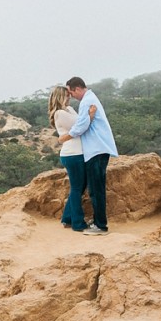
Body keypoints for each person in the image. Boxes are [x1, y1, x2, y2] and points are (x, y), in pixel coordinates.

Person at [58, 77, 118, 235]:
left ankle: (101, 226)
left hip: (96, 150)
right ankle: (98, 221)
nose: (72, 96)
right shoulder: (90, 98)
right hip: (97, 149)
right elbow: (84, 122)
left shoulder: (86, 101)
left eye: (71, 92)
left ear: (77, 88)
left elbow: (82, 125)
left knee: (96, 189)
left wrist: (66, 137)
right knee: (95, 187)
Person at [48, 86, 95, 232]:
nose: (69, 97)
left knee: (79, 187)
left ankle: (67, 219)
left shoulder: (69, 110)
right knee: (76, 188)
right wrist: (91, 115)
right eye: (66, 96)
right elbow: (80, 126)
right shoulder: (60, 113)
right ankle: (78, 223)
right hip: (72, 154)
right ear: (60, 97)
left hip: (77, 153)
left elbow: (81, 122)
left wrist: (86, 116)